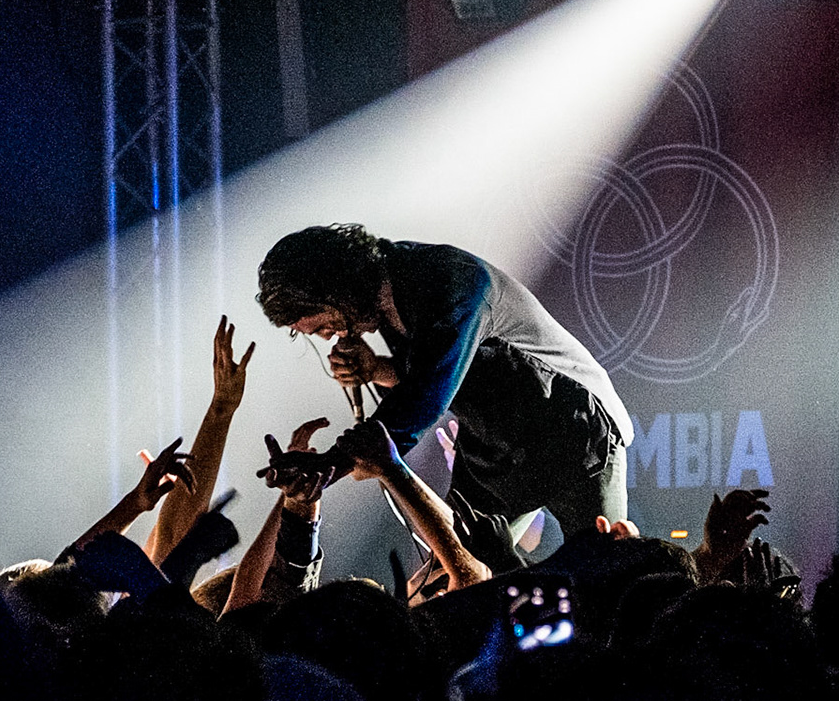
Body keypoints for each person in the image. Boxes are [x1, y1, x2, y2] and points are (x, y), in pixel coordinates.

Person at [254, 224, 634, 545]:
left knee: (603, 570)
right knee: (458, 575)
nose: (327, 337)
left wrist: (328, 465)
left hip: (572, 431)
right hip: (496, 448)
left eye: (324, 325)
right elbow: (434, 372)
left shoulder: (449, 280)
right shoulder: (385, 295)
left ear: (338, 289)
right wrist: (375, 369)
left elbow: (426, 394)